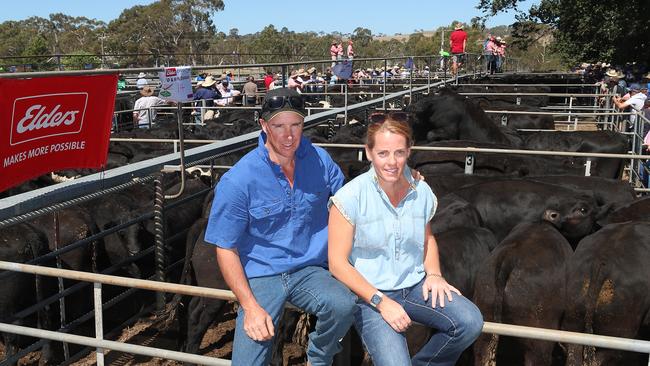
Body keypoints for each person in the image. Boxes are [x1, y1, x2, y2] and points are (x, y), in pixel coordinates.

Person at [204, 87, 357, 366]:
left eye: (296, 125)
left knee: (344, 304)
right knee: (247, 360)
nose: (289, 135)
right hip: (262, 274)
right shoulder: (239, 180)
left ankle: (318, 358)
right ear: (264, 126)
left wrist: (397, 181)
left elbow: (350, 202)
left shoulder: (319, 160)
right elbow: (225, 247)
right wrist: (250, 306)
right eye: (279, 126)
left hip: (309, 268)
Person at [328, 111, 483, 366]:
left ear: (409, 151)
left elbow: (428, 239)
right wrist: (381, 301)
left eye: (399, 153)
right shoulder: (349, 198)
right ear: (368, 153)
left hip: (414, 286)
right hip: (369, 295)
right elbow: (337, 263)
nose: (392, 162)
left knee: (470, 322)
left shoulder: (420, 191)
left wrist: (434, 274)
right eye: (383, 153)